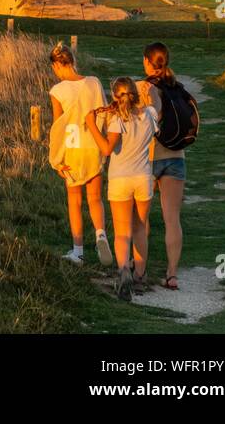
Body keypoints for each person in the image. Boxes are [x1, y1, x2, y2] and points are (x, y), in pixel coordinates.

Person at [85, 77, 158, 301]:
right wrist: (152, 94)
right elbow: (157, 111)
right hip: (143, 178)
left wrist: (91, 124)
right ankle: (140, 274)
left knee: (122, 232)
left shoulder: (118, 119)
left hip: (120, 179)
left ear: (116, 96)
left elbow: (107, 149)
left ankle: (124, 271)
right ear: (135, 94)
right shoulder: (150, 115)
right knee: (140, 228)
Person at [47, 43, 113, 266]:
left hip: (72, 149)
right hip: (93, 144)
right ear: (73, 60)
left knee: (74, 201)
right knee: (95, 198)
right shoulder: (93, 82)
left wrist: (56, 160)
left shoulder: (57, 91)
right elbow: (103, 113)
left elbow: (58, 127)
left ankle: (78, 251)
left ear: (58, 64)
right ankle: (100, 234)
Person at [138, 42, 185, 291]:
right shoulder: (177, 86)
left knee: (142, 218)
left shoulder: (142, 88)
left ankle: (140, 270)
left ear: (147, 61)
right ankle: (172, 274)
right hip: (177, 156)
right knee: (172, 219)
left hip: (148, 157)